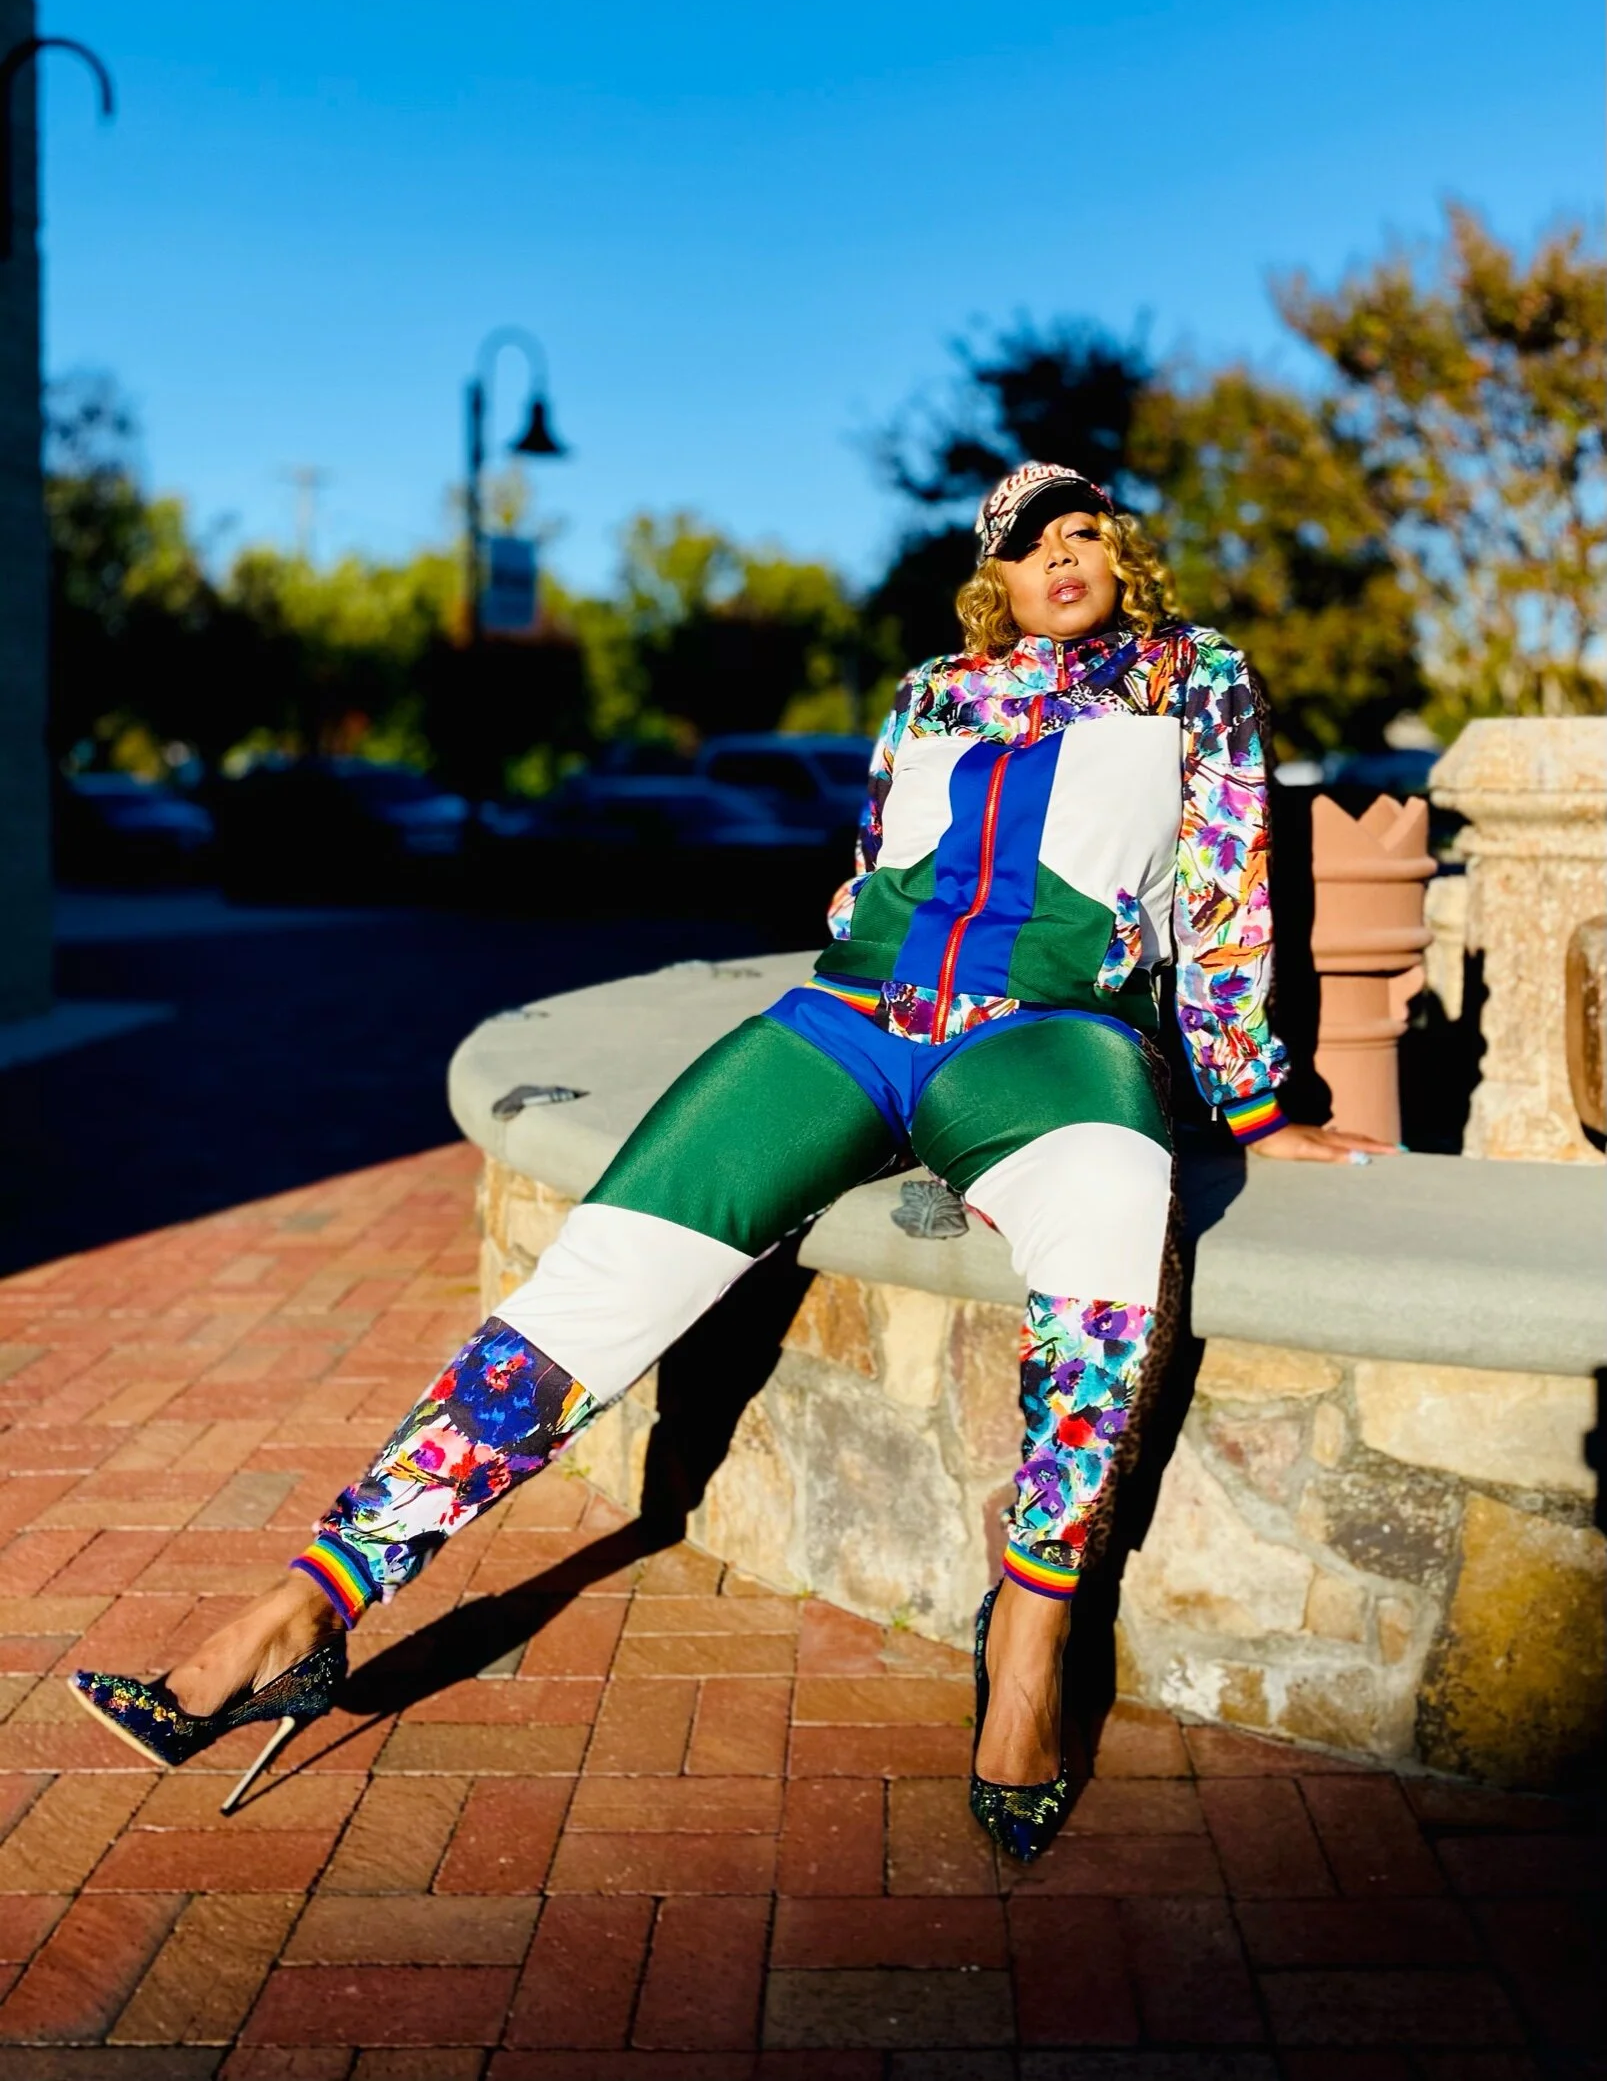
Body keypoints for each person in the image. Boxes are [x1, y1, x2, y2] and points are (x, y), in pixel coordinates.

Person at [70, 461, 1393, 1856]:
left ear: (1117, 553)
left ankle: (1028, 1636)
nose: (1060, 556)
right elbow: (872, 861)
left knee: (1114, 1228)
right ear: (992, 577)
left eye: (1083, 532)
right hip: (849, 1022)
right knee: (600, 1269)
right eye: (1027, 542)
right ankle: (305, 1608)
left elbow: (1226, 895)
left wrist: (1253, 1106)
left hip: (1051, 1036)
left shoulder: (1194, 677)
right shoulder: (933, 693)